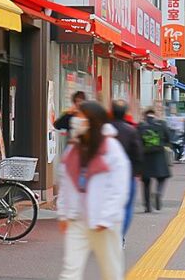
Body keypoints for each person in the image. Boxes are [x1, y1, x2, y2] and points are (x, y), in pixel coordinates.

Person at [56, 101, 130, 280]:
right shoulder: (74, 149)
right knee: (70, 272)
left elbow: (119, 188)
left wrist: (106, 217)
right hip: (77, 219)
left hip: (104, 222)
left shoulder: (111, 149)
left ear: (93, 120)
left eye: (80, 116)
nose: (75, 120)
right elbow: (65, 184)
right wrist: (63, 213)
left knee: (110, 271)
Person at [110, 100, 143, 241]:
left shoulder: (103, 129)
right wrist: (137, 173)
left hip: (107, 175)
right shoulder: (131, 130)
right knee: (127, 206)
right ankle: (120, 236)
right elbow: (138, 154)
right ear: (125, 113)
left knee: (108, 206)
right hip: (127, 176)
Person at [137, 108, 171, 213]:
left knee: (146, 182)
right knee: (162, 178)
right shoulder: (161, 125)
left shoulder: (140, 126)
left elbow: (137, 141)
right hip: (159, 156)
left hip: (145, 157)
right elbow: (168, 138)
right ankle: (158, 192)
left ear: (144, 115)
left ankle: (147, 207)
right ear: (154, 114)